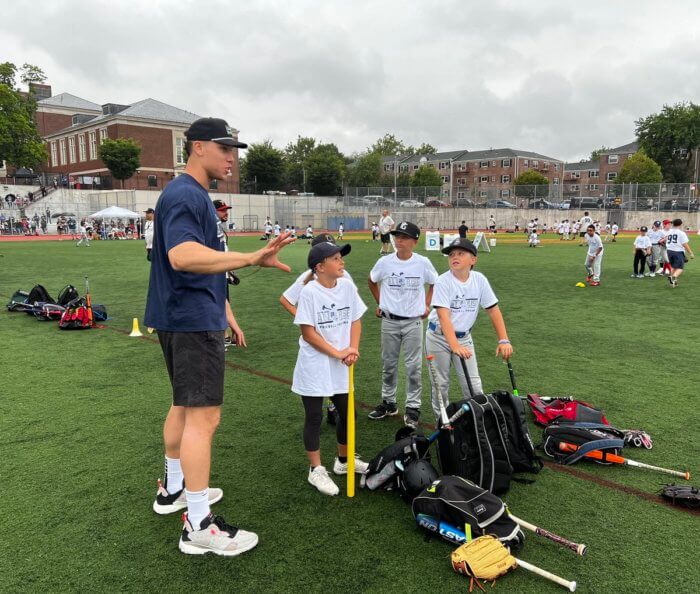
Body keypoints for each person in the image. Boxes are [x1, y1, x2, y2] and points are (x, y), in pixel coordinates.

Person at [144, 117, 294, 556]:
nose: (232, 157)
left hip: (187, 315)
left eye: (234, 150)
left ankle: (175, 491)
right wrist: (249, 257)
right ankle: (198, 524)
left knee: (183, 406)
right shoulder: (187, 193)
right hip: (190, 321)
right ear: (196, 148)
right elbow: (183, 255)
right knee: (204, 418)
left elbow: (199, 261)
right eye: (224, 148)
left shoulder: (191, 194)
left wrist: (224, 308)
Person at [291, 241, 369, 495]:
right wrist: (337, 352)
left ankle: (343, 461)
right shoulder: (310, 292)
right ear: (319, 267)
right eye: (335, 258)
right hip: (315, 364)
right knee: (314, 417)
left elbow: (355, 318)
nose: (341, 262)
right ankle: (316, 470)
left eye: (340, 257)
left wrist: (353, 348)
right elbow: (308, 332)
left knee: (349, 414)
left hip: (342, 362)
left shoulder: (346, 285)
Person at [425, 237, 513, 421]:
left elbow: (493, 309)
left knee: (473, 385)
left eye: (460, 253)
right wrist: (454, 345)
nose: (454, 257)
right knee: (440, 386)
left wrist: (503, 340)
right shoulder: (443, 281)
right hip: (438, 337)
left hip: (464, 338)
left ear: (473, 259)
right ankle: (443, 425)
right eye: (451, 254)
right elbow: (443, 316)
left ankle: (478, 425)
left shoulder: (479, 280)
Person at [367, 222, 438, 428]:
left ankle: (413, 407)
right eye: (397, 236)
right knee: (388, 365)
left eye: (404, 237)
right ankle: (389, 403)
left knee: (413, 367)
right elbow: (371, 280)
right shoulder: (385, 262)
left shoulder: (423, 262)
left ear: (415, 242)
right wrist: (380, 303)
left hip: (413, 322)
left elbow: (434, 282)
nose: (399, 240)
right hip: (389, 321)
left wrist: (427, 304)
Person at [280, 233, 352, 425]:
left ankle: (332, 406)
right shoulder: (308, 277)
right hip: (318, 341)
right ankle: (326, 408)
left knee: (338, 378)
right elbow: (285, 300)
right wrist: (307, 320)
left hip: (338, 337)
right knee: (319, 374)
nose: (338, 257)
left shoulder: (343, 276)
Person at [665, 218, 695, 288]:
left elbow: (666, 239)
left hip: (669, 251)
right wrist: (690, 252)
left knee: (673, 266)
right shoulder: (681, 233)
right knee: (680, 268)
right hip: (677, 251)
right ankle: (674, 277)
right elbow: (685, 244)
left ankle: (671, 278)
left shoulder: (669, 231)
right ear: (681, 224)